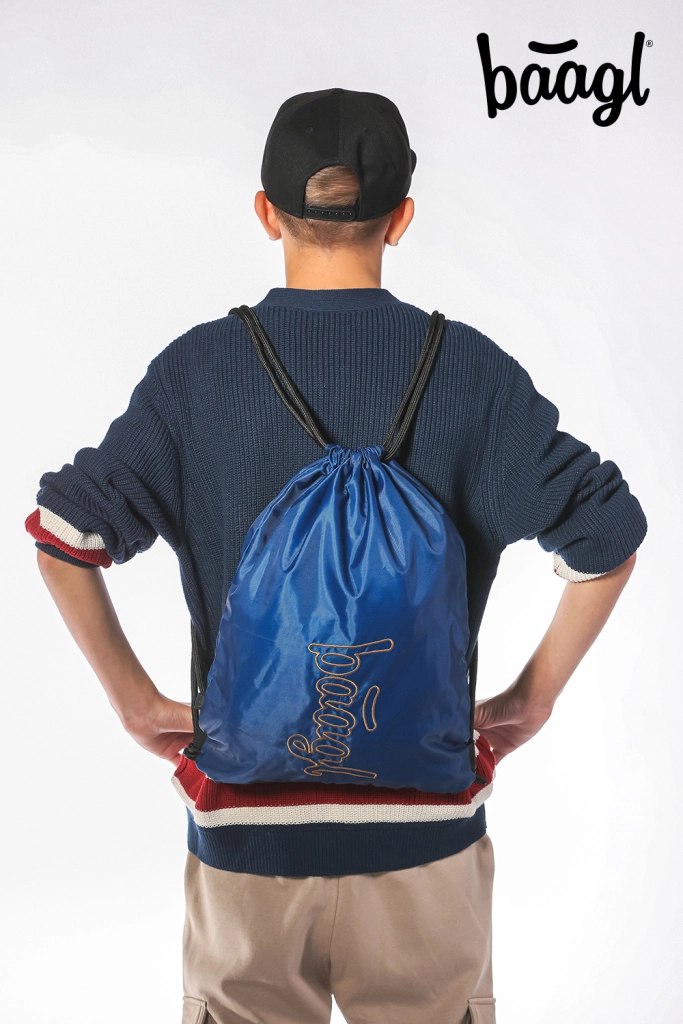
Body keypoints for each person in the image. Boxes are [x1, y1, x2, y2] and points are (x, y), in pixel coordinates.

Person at [26, 88, 647, 1024]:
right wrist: (531, 698)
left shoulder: (199, 372)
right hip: (425, 839)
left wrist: (134, 702)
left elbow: (63, 536)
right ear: (401, 219)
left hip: (247, 839)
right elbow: (607, 535)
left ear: (264, 211)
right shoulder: (469, 371)